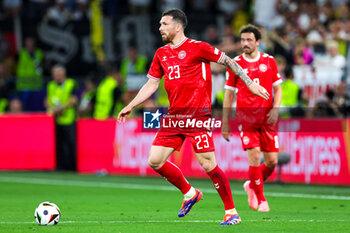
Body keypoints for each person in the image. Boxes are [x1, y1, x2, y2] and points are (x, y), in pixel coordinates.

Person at [118, 9, 269, 225]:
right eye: (160, 24)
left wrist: (249, 82)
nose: (160, 28)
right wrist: (131, 105)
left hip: (197, 115)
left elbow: (228, 61)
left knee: (208, 165)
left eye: (164, 24)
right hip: (174, 117)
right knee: (155, 160)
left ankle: (231, 212)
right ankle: (190, 193)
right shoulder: (161, 54)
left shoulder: (197, 48)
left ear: (178, 26)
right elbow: (152, 83)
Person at [222, 24, 282, 212]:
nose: (245, 43)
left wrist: (276, 109)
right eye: (243, 40)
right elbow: (229, 94)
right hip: (246, 118)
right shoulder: (234, 64)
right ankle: (261, 199)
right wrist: (225, 122)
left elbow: (278, 88)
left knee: (272, 162)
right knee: (255, 155)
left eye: (249, 40)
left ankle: (251, 185)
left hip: (267, 118)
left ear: (258, 42)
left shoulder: (269, 60)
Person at [45, 65, 78, 171]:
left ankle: (73, 167)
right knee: (58, 144)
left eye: (59, 73)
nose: (57, 76)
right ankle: (60, 166)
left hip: (69, 119)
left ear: (64, 74)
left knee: (71, 143)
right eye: (55, 74)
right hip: (55, 120)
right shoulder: (50, 85)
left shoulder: (70, 84)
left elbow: (74, 100)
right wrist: (52, 109)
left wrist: (60, 109)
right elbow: (47, 100)